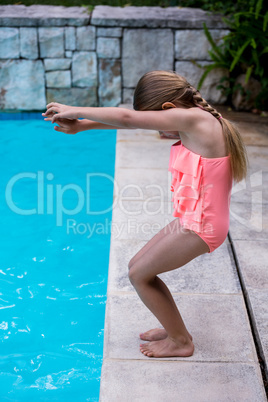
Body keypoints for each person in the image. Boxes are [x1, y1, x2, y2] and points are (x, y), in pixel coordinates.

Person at [42, 70, 248, 358]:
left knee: (140, 275)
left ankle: (181, 342)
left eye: (158, 123)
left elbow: (127, 118)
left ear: (167, 109)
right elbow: (130, 125)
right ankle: (174, 328)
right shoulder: (195, 115)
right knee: (137, 265)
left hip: (203, 226)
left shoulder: (194, 119)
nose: (159, 131)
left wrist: (74, 109)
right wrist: (83, 126)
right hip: (194, 220)